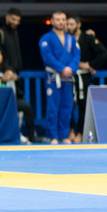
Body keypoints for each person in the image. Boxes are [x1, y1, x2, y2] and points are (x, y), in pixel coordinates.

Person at [39, 11, 80, 145]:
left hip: (67, 78)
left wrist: (70, 69)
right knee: (53, 107)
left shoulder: (72, 39)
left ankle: (64, 135)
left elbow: (76, 56)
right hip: (53, 77)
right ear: (52, 21)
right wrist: (62, 68)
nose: (61, 22)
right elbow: (48, 57)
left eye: (63, 19)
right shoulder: (46, 39)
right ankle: (53, 136)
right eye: (58, 19)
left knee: (67, 107)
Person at [67, 16, 107, 143]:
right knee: (67, 105)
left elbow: (104, 53)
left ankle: (80, 133)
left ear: (79, 24)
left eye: (71, 24)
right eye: (67, 24)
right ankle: (69, 132)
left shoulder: (88, 37)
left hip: (83, 77)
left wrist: (91, 65)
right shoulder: (65, 39)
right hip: (69, 76)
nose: (69, 27)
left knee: (83, 106)